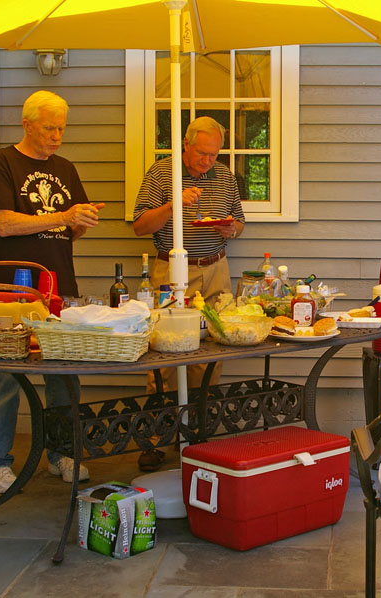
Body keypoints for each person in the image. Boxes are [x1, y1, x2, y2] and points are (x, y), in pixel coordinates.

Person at [0, 90, 104, 493]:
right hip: (11, 288)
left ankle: (61, 454)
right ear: (27, 123)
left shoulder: (65, 168)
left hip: (60, 285)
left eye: (61, 128)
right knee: (5, 375)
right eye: (49, 128)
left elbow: (72, 228)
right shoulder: (1, 162)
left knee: (63, 374)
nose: (56, 136)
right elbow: (4, 224)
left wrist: (81, 220)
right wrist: (64, 214)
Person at [132, 116, 245, 471]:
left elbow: (239, 222)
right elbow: (140, 226)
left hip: (215, 268)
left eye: (214, 155)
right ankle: (156, 438)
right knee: (165, 352)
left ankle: (199, 430)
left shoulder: (224, 176)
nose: (208, 161)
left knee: (213, 351)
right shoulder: (161, 173)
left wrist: (231, 229)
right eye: (202, 153)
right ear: (185, 144)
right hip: (171, 270)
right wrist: (174, 205)